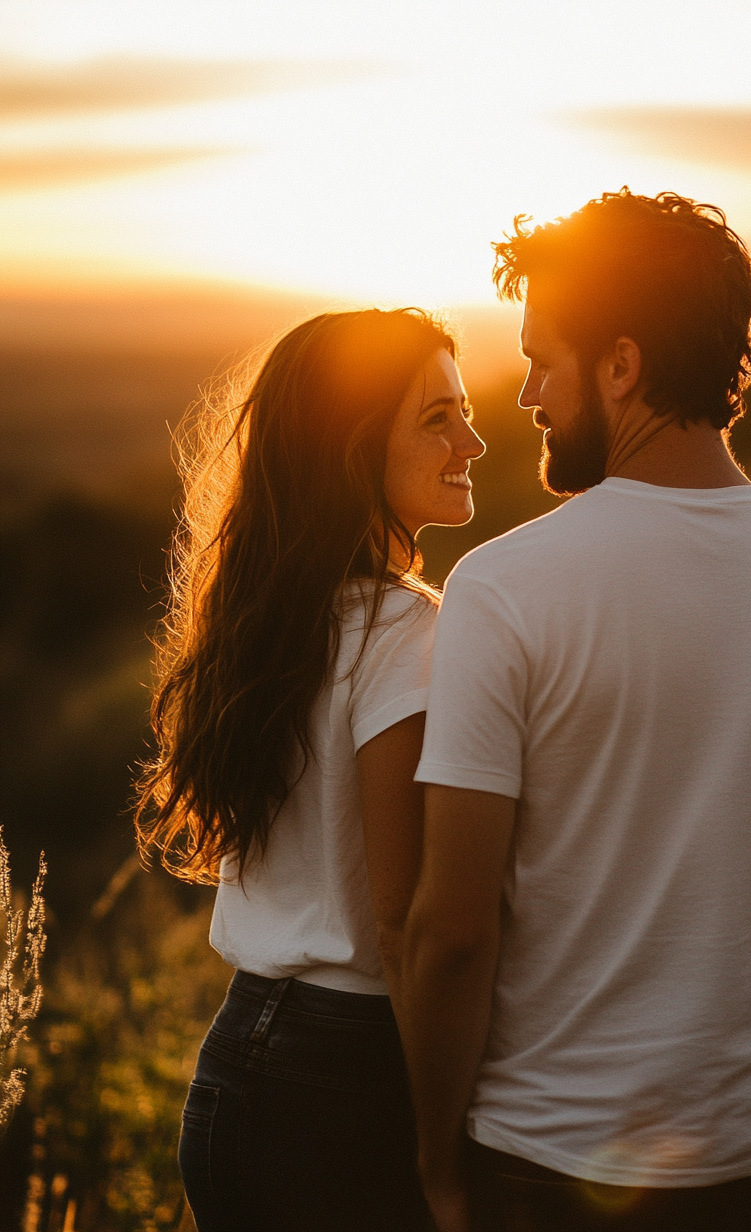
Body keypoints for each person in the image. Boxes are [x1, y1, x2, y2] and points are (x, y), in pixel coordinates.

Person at [402, 191, 751, 1232]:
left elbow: (451, 928)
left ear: (621, 365)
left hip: (544, 1174)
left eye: (543, 358)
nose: (526, 394)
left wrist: (434, 1161)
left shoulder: (505, 589)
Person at [135, 308, 485, 1232]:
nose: (473, 441)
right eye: (437, 417)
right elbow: (401, 915)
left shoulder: (274, 619)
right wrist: (446, 1157)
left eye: (466, 410)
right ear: (355, 446)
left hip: (234, 1070)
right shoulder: (409, 633)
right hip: (352, 1085)